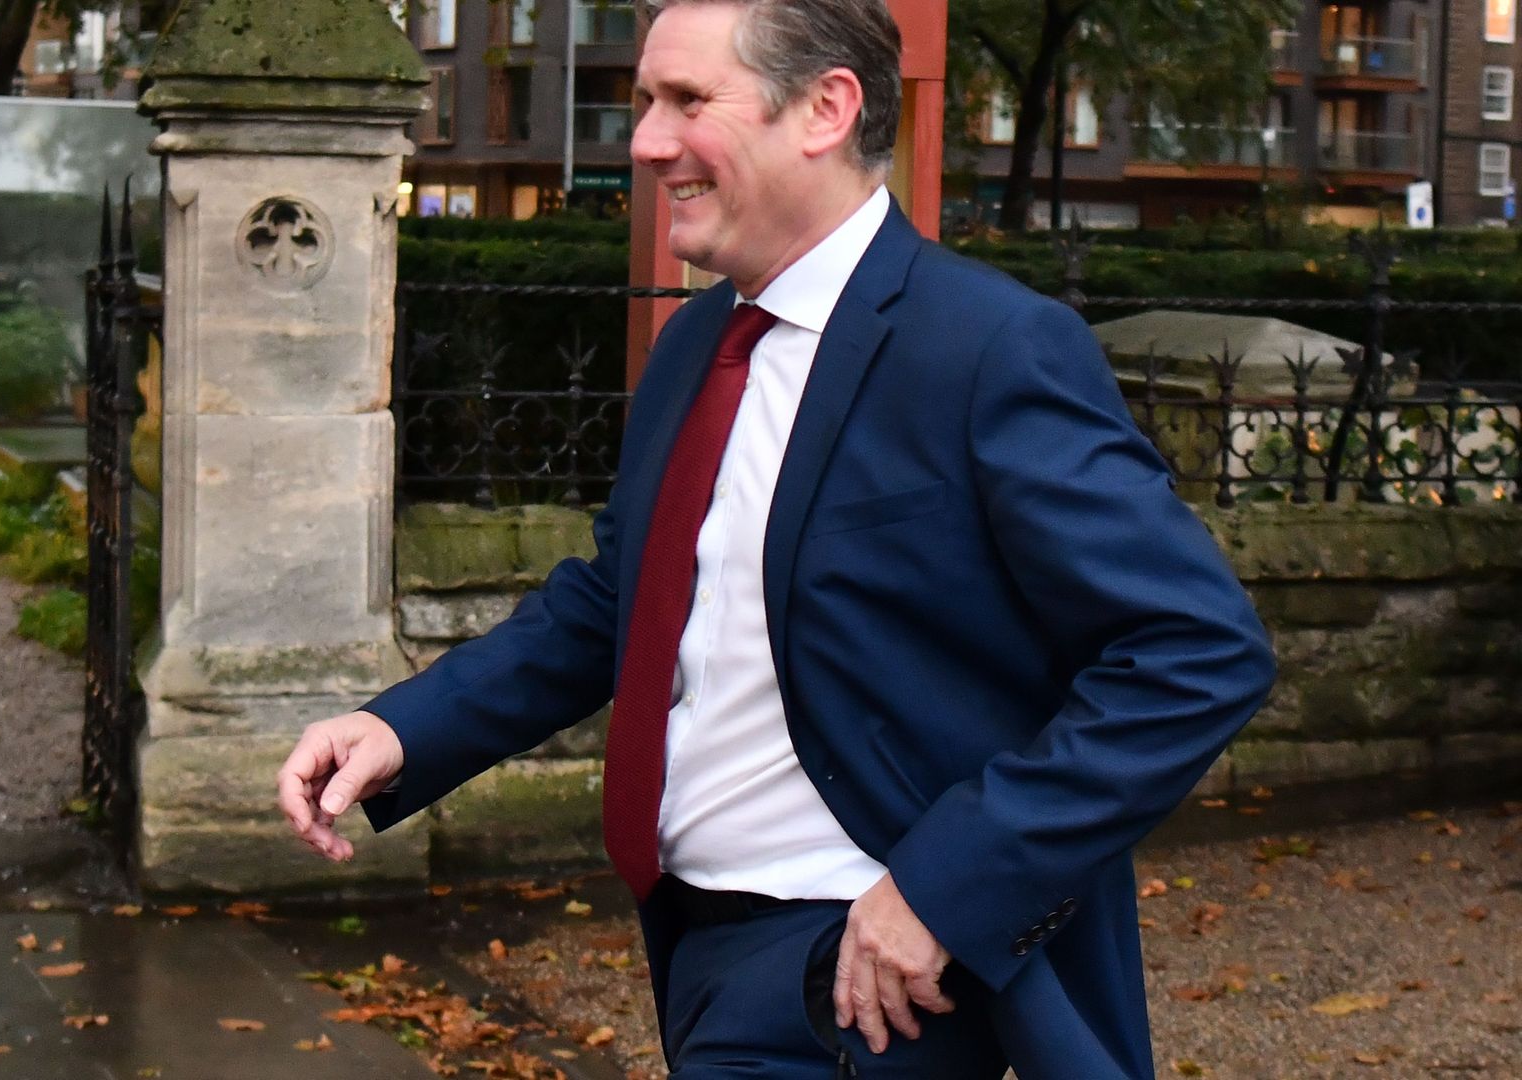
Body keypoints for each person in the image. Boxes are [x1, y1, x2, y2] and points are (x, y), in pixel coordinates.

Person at [277, 0, 1276, 1075]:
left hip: (871, 992)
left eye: (687, 101)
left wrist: (947, 886)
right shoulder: (699, 342)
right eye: (645, 103)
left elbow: (1197, 652)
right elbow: (625, 599)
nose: (649, 141)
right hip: (702, 955)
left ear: (825, 110)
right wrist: (405, 731)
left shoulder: (989, 348)